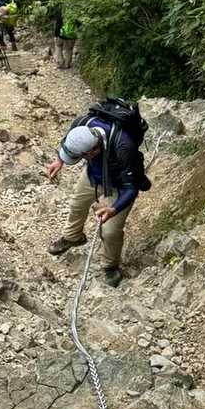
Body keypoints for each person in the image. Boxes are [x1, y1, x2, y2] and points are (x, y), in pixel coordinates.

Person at [43, 100, 150, 287]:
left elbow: (131, 188)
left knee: (110, 231)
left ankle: (110, 265)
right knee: (77, 204)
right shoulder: (82, 124)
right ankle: (73, 237)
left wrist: (113, 209)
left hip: (120, 186)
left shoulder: (124, 147)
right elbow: (68, 142)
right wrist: (59, 161)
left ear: (92, 151)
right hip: (94, 175)